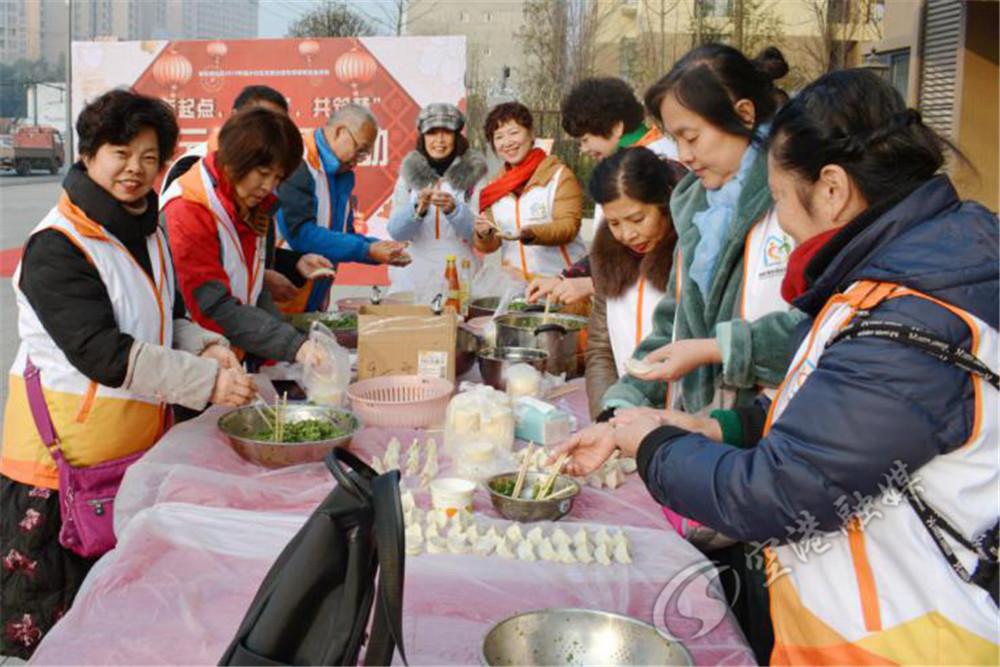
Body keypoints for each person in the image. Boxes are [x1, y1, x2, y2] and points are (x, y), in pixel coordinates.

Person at [555, 68, 999, 665]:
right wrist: (716, 429)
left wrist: (655, 445)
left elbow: (782, 492)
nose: (784, 225)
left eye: (784, 200)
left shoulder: (914, 317)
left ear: (833, 189)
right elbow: (820, 419)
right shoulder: (883, 286)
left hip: (911, 642)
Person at [0, 89, 254, 659]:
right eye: (121, 152)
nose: (135, 170)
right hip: (62, 466)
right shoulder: (57, 245)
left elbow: (168, 317)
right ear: (89, 154)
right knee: (60, 633)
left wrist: (209, 347)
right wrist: (206, 383)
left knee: (120, 623)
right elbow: (104, 353)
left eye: (149, 156)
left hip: (131, 457)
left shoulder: (146, 230)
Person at [162, 108, 329, 367]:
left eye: (277, 178)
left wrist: (287, 343)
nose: (268, 186)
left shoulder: (247, 206)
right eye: (263, 173)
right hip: (197, 364)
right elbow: (214, 307)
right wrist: (292, 345)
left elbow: (251, 288)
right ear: (236, 159)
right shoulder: (189, 209)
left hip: (232, 357)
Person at [526, 77, 681, 307]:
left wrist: (591, 283)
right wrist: (566, 278)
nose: (584, 149)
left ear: (616, 128)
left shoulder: (661, 166)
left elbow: (659, 257)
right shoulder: (618, 166)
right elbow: (614, 250)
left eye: (586, 139)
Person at [158, 85, 307, 305]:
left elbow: (241, 256)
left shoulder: (254, 194)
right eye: (262, 121)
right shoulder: (191, 179)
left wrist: (293, 263)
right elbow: (206, 292)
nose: (268, 186)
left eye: (277, 178)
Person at [276, 104, 410, 313]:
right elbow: (301, 234)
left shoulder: (341, 175)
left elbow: (344, 236)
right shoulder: (299, 161)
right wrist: (368, 249)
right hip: (285, 295)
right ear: (339, 131)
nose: (359, 160)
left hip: (315, 298)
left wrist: (379, 250)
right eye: (361, 150)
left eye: (365, 154)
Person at [583, 148, 679, 417]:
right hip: (621, 417)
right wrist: (606, 416)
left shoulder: (690, 260)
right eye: (614, 223)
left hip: (678, 420)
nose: (627, 234)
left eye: (637, 219)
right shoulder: (608, 260)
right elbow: (600, 350)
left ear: (664, 205)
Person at [473, 102, 586, 282]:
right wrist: (483, 234)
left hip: (561, 285)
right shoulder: (494, 187)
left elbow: (569, 227)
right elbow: (490, 246)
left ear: (531, 133)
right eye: (499, 137)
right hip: (516, 289)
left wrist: (532, 233)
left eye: (514, 133)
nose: (507, 142)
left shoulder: (558, 175)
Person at [386, 103, 488, 293]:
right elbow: (396, 232)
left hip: (460, 272)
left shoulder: (475, 177)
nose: (439, 140)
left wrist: (454, 210)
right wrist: (418, 210)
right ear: (423, 137)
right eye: (432, 133)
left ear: (457, 136)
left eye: (447, 132)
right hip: (412, 273)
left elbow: (480, 237)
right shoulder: (408, 177)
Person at [160, 84, 289, 194]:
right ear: (234, 116)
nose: (270, 131)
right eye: (262, 121)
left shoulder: (276, 173)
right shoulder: (192, 163)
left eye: (278, 125)